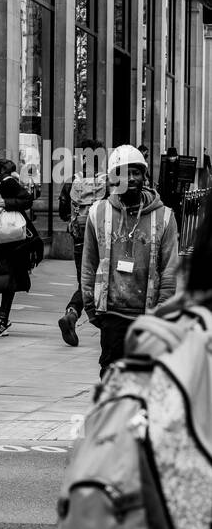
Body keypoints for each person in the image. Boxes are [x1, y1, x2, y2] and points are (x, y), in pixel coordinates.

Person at [81, 143, 179, 377]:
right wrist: (89, 305)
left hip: (148, 314)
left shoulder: (164, 216)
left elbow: (169, 269)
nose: (131, 178)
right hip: (112, 313)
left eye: (136, 172)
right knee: (111, 376)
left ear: (144, 176)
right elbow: (89, 262)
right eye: (124, 173)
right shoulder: (98, 212)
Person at [0, 159, 41, 336]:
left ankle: (2, 318)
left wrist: (4, 202)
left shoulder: (7, 182)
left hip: (6, 237)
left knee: (6, 275)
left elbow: (27, 200)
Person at [56, 138, 106, 347]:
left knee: (83, 281)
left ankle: (72, 313)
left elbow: (61, 214)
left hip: (79, 238)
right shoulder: (109, 182)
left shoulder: (71, 181)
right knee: (101, 282)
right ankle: (84, 318)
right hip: (102, 240)